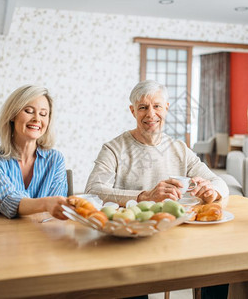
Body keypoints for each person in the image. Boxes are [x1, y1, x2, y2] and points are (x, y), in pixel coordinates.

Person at [85, 80, 229, 299]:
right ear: (132, 111)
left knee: (221, 264)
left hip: (177, 238)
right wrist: (145, 196)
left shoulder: (180, 149)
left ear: (167, 108)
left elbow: (219, 182)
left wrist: (212, 191)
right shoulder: (114, 148)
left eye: (157, 106)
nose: (150, 114)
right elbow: (93, 190)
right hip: (133, 238)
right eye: (143, 107)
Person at [0, 85, 69, 219]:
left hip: (43, 236)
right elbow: (8, 200)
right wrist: (46, 204)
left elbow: (56, 211)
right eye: (29, 111)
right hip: (1, 235)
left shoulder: (55, 160)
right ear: (12, 115)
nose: (37, 119)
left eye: (43, 114)